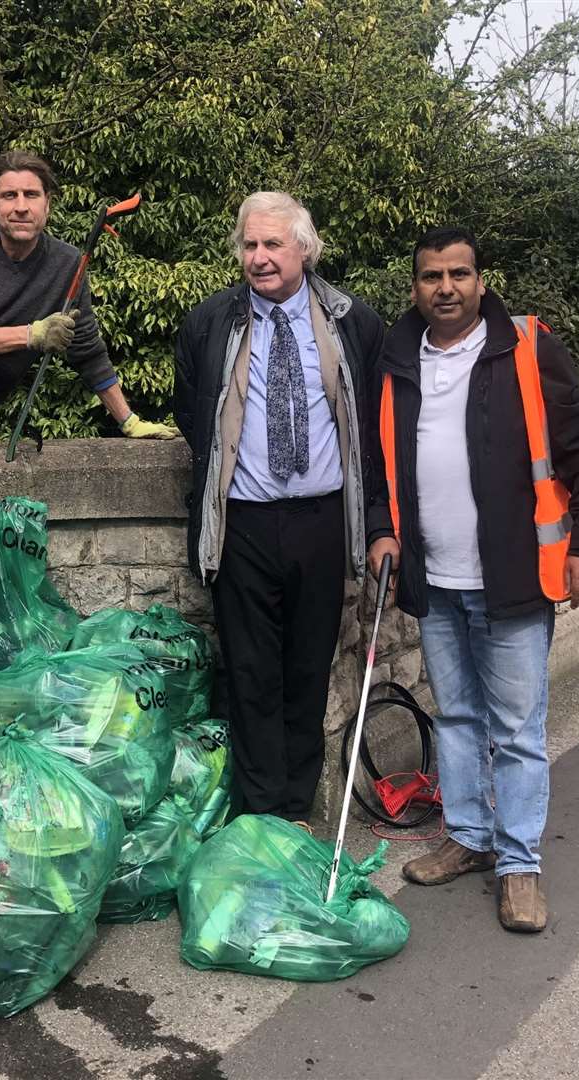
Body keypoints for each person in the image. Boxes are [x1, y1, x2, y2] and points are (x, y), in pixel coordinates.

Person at [369, 226, 579, 932]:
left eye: (458, 274)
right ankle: (472, 839)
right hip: (435, 579)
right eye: (430, 277)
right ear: (414, 286)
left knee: (516, 730)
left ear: (481, 280)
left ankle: (518, 864)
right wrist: (383, 531)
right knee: (455, 718)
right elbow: (379, 463)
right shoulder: (397, 358)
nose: (444, 288)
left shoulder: (526, 347)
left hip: (510, 578)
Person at [173, 191, 386, 831]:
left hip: (321, 521)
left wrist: (376, 521)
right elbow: (194, 413)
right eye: (249, 245)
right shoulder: (209, 323)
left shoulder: (354, 321)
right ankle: (260, 812)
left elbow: (374, 427)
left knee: (307, 666)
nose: (260, 258)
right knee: (249, 670)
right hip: (244, 523)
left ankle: (295, 811)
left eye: (273, 244)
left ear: (304, 248)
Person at [0, 149, 179, 444]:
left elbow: (87, 351)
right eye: (9, 196)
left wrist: (130, 422)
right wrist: (31, 335)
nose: (21, 206)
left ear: (48, 205)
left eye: (31, 195)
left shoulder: (68, 264)